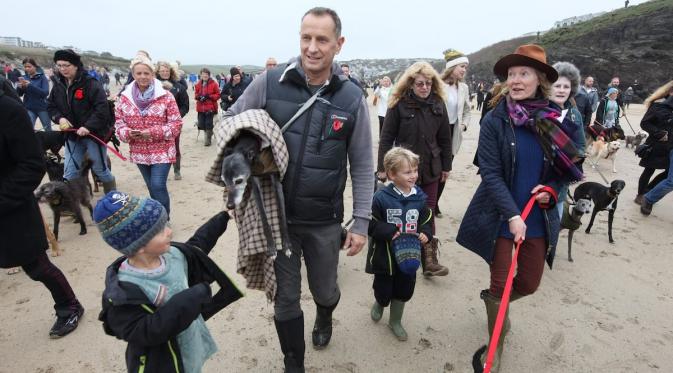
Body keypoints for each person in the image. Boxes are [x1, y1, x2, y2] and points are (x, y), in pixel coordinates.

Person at [222, 7, 374, 371]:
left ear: (339, 44)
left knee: (326, 290)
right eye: (306, 37)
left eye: (322, 39)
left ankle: (324, 315)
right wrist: (239, 178)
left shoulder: (352, 98)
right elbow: (231, 124)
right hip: (277, 216)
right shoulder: (270, 82)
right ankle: (294, 361)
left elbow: (364, 164)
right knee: (285, 298)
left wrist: (361, 221)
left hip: (324, 219)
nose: (312, 47)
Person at [455, 44, 583, 373]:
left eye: (523, 73)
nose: (515, 79)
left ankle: (495, 306)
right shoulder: (496, 119)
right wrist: (512, 215)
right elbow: (491, 172)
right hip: (501, 214)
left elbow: (562, 172)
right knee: (500, 283)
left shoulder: (552, 120)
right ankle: (495, 345)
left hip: (538, 217)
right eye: (511, 74)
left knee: (529, 283)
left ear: (540, 79)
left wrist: (551, 192)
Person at [95, 191, 243, 373]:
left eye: (165, 224)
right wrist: (193, 297)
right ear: (139, 245)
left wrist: (223, 217)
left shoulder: (174, 255)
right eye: (160, 231)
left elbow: (199, 243)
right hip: (164, 362)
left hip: (189, 342)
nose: (169, 231)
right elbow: (144, 331)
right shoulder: (123, 292)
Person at [1, 76, 84, 338]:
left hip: (10, 207)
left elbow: (32, 165)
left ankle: (69, 306)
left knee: (37, 266)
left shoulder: (9, 111)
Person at [377, 61, 451, 277]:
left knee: (427, 211)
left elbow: (445, 138)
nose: (424, 87)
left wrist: (446, 166)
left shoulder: (438, 104)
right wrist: (383, 167)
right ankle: (400, 252)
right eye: (420, 83)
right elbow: (386, 138)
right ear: (411, 83)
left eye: (428, 83)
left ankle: (429, 259)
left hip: (431, 167)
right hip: (403, 169)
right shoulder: (398, 104)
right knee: (402, 212)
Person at [366, 147, 432, 341]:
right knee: (383, 288)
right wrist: (387, 231)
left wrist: (426, 233)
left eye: (415, 170)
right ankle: (380, 302)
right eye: (407, 172)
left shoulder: (420, 198)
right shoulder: (380, 198)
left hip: (409, 254)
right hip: (385, 256)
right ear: (392, 174)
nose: (413, 176)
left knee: (404, 289)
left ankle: (395, 320)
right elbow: (369, 224)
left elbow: (426, 219)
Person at [115, 53, 182, 217]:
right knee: (151, 187)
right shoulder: (124, 98)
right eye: (139, 73)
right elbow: (118, 124)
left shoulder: (166, 96)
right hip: (139, 152)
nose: (143, 76)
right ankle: (158, 215)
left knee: (158, 185)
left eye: (146, 73)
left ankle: (164, 218)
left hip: (163, 150)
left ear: (153, 74)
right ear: (133, 75)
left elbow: (176, 125)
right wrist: (127, 133)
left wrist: (151, 132)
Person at [47, 49, 116, 191]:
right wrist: (59, 119)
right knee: (70, 172)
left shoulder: (91, 83)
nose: (62, 69)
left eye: (66, 65)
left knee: (100, 170)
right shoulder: (58, 85)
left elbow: (102, 109)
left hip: (93, 135)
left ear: (76, 65)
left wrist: (88, 127)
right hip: (71, 136)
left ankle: (113, 199)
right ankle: (71, 205)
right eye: (59, 65)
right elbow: (50, 106)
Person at [437, 49, 471, 218]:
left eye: (466, 67)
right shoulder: (437, 84)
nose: (464, 70)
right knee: (432, 169)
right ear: (451, 67)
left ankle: (435, 203)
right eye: (461, 66)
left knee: (445, 169)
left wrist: (463, 126)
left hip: (453, 133)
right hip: (435, 132)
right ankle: (428, 202)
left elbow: (467, 110)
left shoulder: (463, 88)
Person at [550, 62, 587, 218]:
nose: (561, 90)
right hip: (535, 177)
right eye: (557, 86)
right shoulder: (538, 111)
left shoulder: (574, 114)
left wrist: (571, 159)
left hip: (560, 180)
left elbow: (581, 145)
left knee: (554, 223)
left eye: (566, 87)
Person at [636, 80, 673, 209]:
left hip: (670, 147)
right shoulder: (658, 105)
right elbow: (645, 123)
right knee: (649, 170)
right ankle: (640, 195)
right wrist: (658, 133)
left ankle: (649, 190)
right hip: (656, 144)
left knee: (668, 174)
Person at [157, 61, 190, 180]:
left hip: (174, 124)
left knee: (175, 146)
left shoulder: (179, 87)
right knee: (159, 148)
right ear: (158, 72)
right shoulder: (153, 86)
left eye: (167, 71)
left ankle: (177, 170)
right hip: (156, 124)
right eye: (162, 71)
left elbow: (185, 105)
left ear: (171, 72)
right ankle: (160, 172)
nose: (165, 73)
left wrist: (175, 117)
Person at [16, 58, 52, 131]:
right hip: (29, 108)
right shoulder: (24, 78)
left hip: (42, 108)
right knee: (28, 129)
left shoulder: (42, 78)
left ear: (35, 67)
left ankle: (50, 142)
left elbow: (45, 93)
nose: (27, 69)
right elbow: (19, 94)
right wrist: (19, 88)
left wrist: (30, 86)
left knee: (48, 129)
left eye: (29, 66)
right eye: (25, 67)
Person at [194, 68, 220, 146]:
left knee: (208, 124)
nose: (204, 75)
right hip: (200, 108)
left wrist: (209, 96)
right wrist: (198, 97)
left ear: (209, 75)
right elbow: (196, 94)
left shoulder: (214, 84)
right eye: (203, 74)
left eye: (206, 74)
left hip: (210, 108)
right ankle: (210, 133)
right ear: (201, 75)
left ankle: (207, 140)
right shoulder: (198, 84)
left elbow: (218, 95)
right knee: (201, 124)